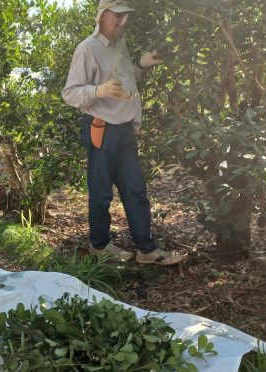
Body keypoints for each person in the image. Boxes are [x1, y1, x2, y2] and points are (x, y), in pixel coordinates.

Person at [62, 0, 185, 266]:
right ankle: (99, 246)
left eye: (125, 16)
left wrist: (140, 65)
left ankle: (146, 250)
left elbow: (126, 80)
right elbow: (69, 93)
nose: (122, 22)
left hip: (125, 129)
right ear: (102, 16)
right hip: (102, 128)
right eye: (117, 16)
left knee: (136, 190)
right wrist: (98, 90)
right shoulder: (87, 49)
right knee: (101, 193)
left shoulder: (121, 46)